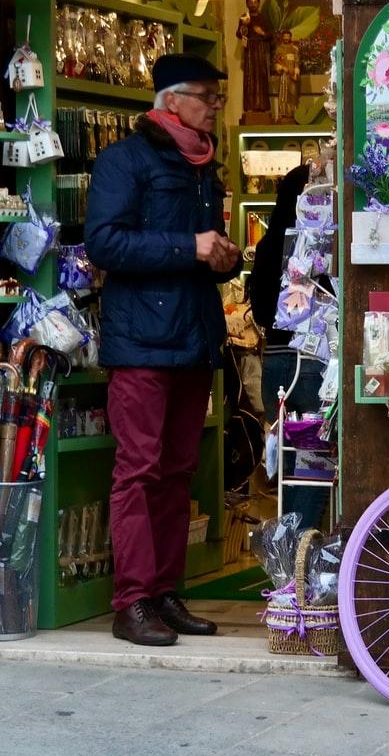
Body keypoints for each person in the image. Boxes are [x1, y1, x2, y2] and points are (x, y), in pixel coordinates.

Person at [86, 53, 241, 647]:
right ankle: (131, 603)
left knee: (178, 473)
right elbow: (105, 243)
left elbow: (205, 250)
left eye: (216, 97)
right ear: (171, 100)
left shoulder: (205, 166)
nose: (215, 106)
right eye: (207, 95)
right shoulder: (124, 160)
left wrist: (225, 257)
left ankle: (166, 592)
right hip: (142, 342)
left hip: (194, 336)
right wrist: (190, 246)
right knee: (140, 471)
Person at [244, 163, 328, 532]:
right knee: (312, 464)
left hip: (276, 365)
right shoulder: (321, 246)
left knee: (290, 468)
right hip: (310, 365)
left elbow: (261, 311)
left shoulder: (268, 245)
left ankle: (287, 557)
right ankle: (299, 562)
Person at [236, 0, 273, 124]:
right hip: (250, 49)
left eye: (255, 2)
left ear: (258, 4)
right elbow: (239, 34)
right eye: (250, 2)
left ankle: (262, 106)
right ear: (247, 5)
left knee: (261, 76)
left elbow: (270, 35)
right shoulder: (244, 17)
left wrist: (261, 32)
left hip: (260, 49)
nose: (253, 4)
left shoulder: (263, 18)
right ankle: (250, 106)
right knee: (250, 77)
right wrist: (244, 26)